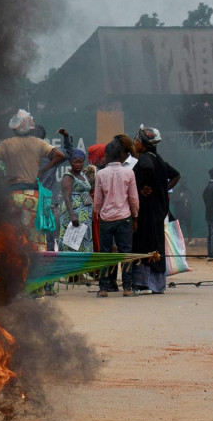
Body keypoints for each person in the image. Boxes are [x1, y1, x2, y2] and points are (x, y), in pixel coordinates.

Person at [0, 109, 66, 248]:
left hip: (13, 197)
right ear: (30, 128)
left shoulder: (7, 144)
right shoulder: (38, 143)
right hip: (34, 198)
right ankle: (38, 267)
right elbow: (60, 155)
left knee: (15, 239)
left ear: (14, 127)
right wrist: (43, 170)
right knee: (36, 239)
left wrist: (1, 175)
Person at [131, 125, 180, 294]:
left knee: (143, 243)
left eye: (136, 140)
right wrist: (162, 188)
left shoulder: (144, 158)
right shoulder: (159, 159)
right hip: (159, 210)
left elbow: (147, 169)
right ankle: (157, 284)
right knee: (156, 244)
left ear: (143, 144)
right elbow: (176, 175)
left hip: (146, 210)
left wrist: (143, 186)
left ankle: (143, 283)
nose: (134, 143)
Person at [93, 140, 139, 297]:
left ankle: (104, 288)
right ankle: (127, 287)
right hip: (124, 217)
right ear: (121, 156)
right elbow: (133, 198)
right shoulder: (129, 173)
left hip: (106, 218)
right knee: (126, 253)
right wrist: (135, 216)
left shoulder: (100, 174)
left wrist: (97, 212)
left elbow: (98, 199)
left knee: (105, 253)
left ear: (106, 156)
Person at [58, 149, 93, 253]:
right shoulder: (68, 176)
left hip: (85, 217)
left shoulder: (83, 175)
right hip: (73, 215)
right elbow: (66, 196)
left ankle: (84, 269)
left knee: (84, 241)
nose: (78, 164)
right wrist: (72, 215)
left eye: (81, 161)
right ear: (70, 162)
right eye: (75, 162)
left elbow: (86, 192)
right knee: (71, 243)